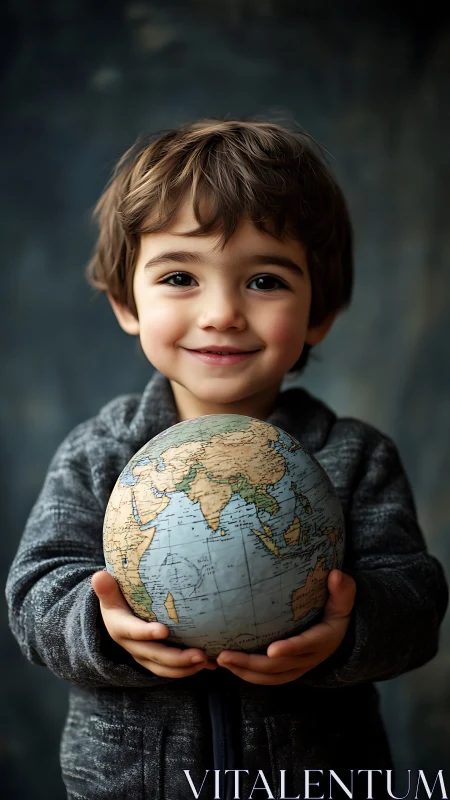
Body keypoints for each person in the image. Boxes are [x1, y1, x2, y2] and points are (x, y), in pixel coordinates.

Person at [6, 119, 448, 800]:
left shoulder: (355, 458)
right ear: (126, 301)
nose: (221, 313)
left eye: (265, 280)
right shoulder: (100, 453)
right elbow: (35, 592)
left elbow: (417, 605)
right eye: (180, 276)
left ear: (319, 312)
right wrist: (102, 628)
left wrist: (347, 631)